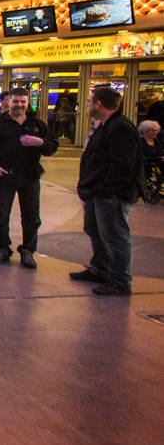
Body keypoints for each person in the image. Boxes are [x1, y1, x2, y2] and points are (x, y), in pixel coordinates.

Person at [72, 86, 145, 295]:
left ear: (98, 104)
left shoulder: (120, 128)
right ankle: (100, 269)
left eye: (88, 101)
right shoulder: (105, 126)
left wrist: (106, 190)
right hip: (97, 193)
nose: (86, 105)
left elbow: (123, 165)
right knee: (95, 231)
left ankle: (120, 281)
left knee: (114, 236)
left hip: (111, 195)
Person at [0, 87, 58, 268]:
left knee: (31, 216)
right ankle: (2, 248)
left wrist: (39, 142)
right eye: (15, 101)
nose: (19, 105)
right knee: (1, 215)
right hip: (4, 177)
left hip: (29, 176)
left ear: (27, 103)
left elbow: (52, 146)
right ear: (8, 102)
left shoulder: (37, 125)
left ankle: (28, 250)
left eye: (23, 102)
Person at [138, 120, 163, 202]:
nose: (154, 133)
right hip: (148, 163)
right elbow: (142, 155)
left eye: (156, 130)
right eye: (152, 130)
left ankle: (158, 188)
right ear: (144, 131)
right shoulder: (141, 142)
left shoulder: (156, 141)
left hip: (158, 162)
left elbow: (159, 152)